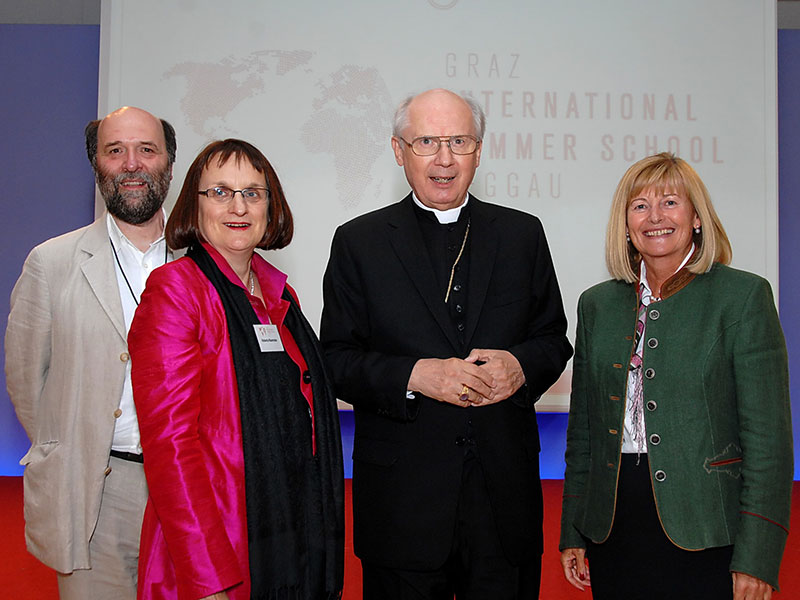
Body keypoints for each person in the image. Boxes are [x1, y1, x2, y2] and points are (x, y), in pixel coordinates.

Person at [321, 88, 572, 599]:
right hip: (402, 507)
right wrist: (415, 376)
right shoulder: (359, 242)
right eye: (426, 142)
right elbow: (335, 360)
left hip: (504, 504)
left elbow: (552, 339)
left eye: (459, 141)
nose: (443, 158)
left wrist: (520, 367)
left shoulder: (522, 234)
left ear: (479, 151)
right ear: (398, 151)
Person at [559, 153, 793, 600]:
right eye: (640, 205)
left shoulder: (743, 297)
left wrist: (758, 556)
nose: (655, 217)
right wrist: (573, 528)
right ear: (626, 224)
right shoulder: (596, 304)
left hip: (708, 526)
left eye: (670, 202)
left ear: (697, 218)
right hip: (613, 525)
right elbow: (584, 433)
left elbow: (769, 443)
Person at [128, 139, 344, 600]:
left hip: (288, 534)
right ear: (194, 204)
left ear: (272, 205)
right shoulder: (175, 292)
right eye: (221, 192)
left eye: (253, 192)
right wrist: (209, 581)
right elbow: (170, 447)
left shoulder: (279, 297)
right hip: (216, 548)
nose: (239, 206)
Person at [4, 106, 176, 599]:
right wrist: (75, 444)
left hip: (191, 489)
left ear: (168, 162)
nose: (131, 163)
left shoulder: (202, 260)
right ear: (95, 164)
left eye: (146, 149)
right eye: (114, 151)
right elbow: (26, 379)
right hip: (94, 488)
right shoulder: (52, 262)